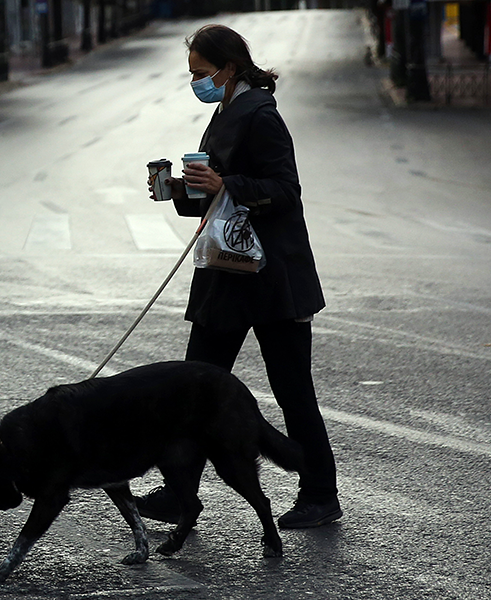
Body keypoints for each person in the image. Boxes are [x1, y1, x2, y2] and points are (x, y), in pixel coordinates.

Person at [137, 24, 341, 529]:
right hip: (228, 275)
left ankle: (320, 494)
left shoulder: (261, 114)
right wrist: (182, 190)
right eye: (192, 74)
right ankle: (180, 493)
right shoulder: (226, 109)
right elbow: (219, 195)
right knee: (194, 388)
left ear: (229, 68)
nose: (196, 82)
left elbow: (285, 190)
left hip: (273, 278)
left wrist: (225, 182)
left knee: (293, 392)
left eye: (202, 73)